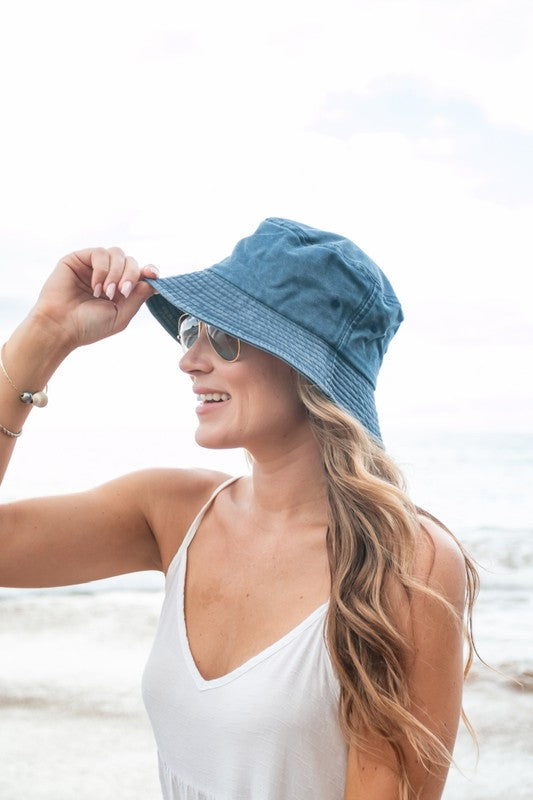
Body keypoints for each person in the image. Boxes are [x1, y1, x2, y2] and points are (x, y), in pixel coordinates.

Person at [0, 217, 478, 800]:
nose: (190, 360)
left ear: (306, 365)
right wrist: (43, 336)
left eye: (224, 335)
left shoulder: (408, 564)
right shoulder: (173, 512)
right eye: (191, 329)